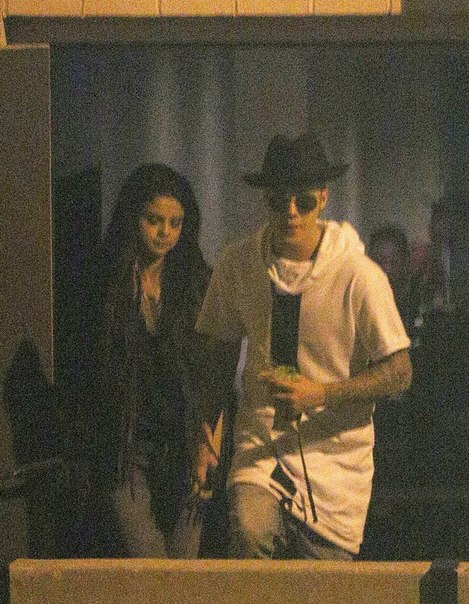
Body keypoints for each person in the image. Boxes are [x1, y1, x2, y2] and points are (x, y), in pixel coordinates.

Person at [194, 133, 412, 560]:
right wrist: (206, 438)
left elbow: (399, 370)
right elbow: (217, 356)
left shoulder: (358, 275)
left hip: (335, 456)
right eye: (279, 201)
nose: (291, 211)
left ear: (323, 197)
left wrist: (323, 392)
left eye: (304, 200)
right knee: (250, 531)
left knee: (321, 582)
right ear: (266, 200)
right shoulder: (239, 264)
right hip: (261, 446)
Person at [91, 163, 217, 557]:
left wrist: (206, 444)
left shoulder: (194, 281)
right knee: (149, 563)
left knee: (183, 569)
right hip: (126, 445)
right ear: (133, 217)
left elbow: (211, 372)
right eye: (154, 220)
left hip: (184, 443)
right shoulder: (106, 279)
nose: (165, 232)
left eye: (175, 223)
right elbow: (93, 374)